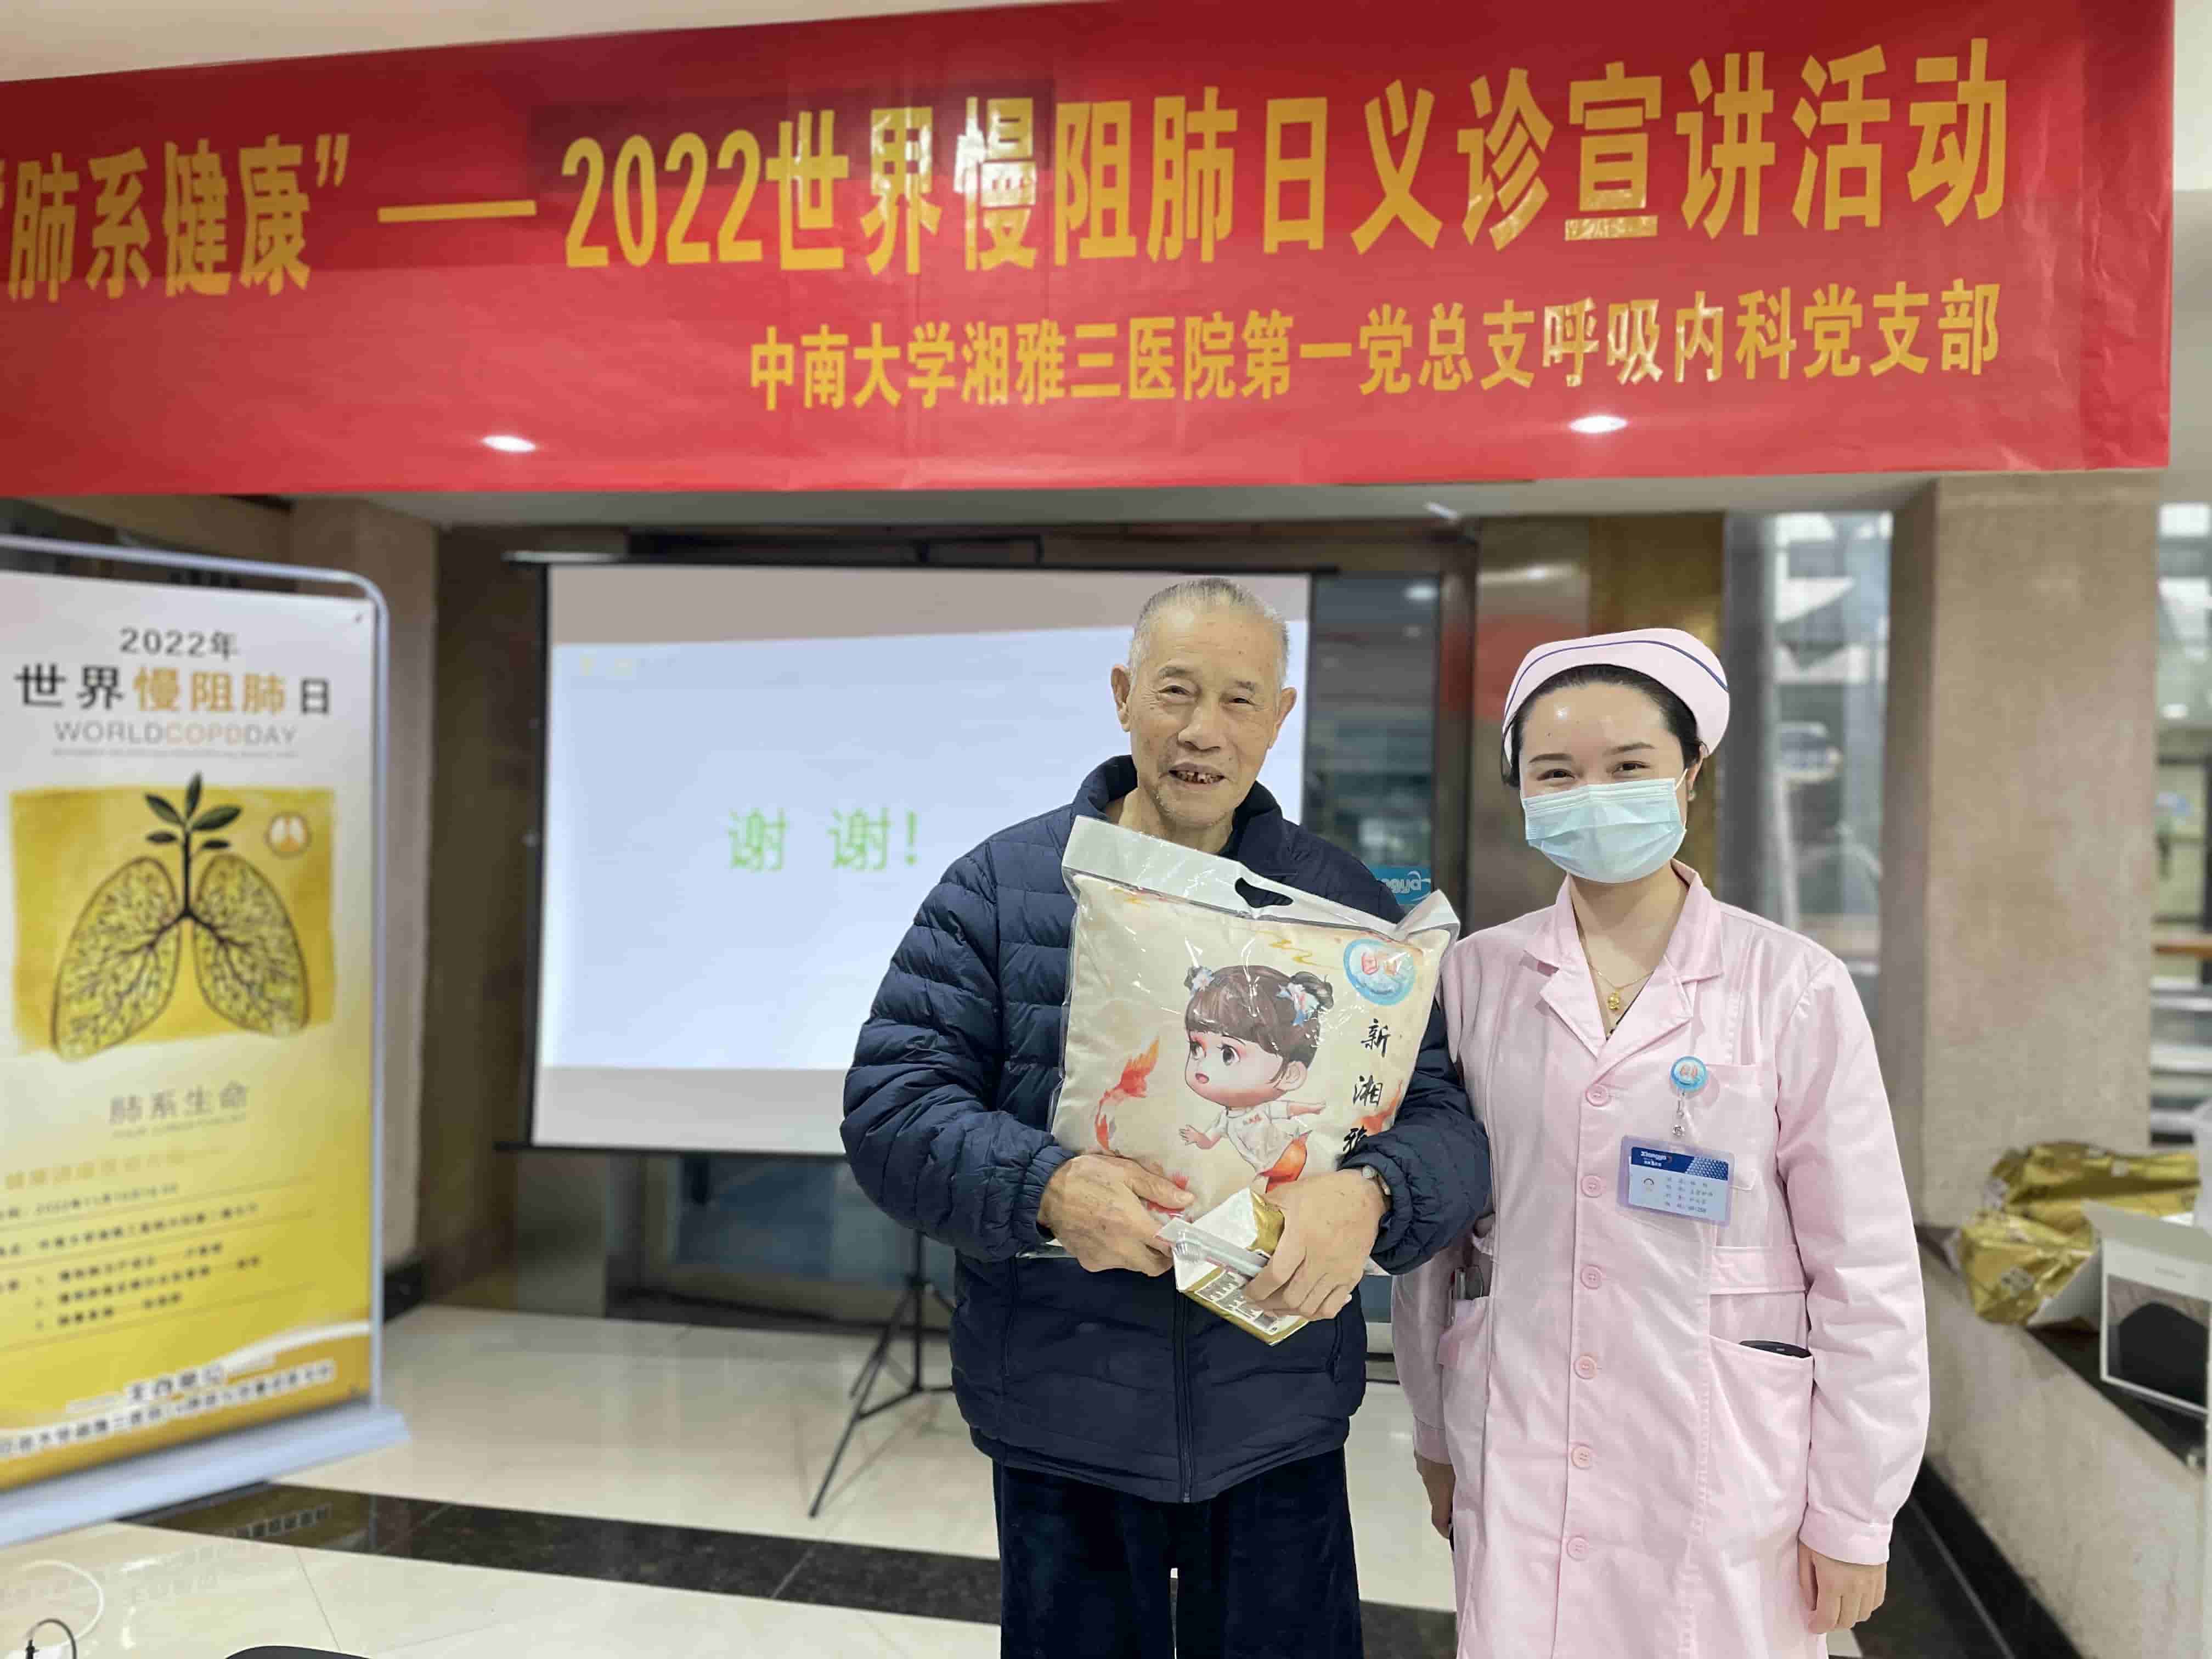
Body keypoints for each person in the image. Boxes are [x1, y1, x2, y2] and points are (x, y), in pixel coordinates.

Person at [844, 577, 1491, 1659]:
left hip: (1277, 1414)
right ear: (1122, 695)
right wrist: (1045, 1188)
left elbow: (1442, 1120)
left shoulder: (1340, 903)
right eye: (1176, 691)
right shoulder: (1005, 885)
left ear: (1279, 715)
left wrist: (1375, 1194)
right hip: (1063, 1415)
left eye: (1239, 699)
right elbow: (891, 1109)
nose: (1203, 730)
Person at [1393, 628, 1928, 1658]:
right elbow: (1439, 1245)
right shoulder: (1475, 977)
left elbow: (1864, 1266)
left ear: (1690, 773)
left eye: (1629, 765)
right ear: (1523, 792)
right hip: (1522, 1427)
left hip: (1726, 1454)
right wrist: (1432, 1431)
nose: (1593, 795)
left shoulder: (1791, 985)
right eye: (1557, 772)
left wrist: (1856, 1512)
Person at [1177, 964, 1335, 1190]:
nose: (1202, 1066)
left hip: (1290, 1155)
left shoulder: (1260, 1111)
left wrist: (1312, 1109)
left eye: (1228, 1054)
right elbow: (1208, 1142)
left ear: (1290, 1074)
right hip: (1270, 1170)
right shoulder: (1224, 1121)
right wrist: (1197, 1138)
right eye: (1196, 1048)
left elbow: (1289, 1109)